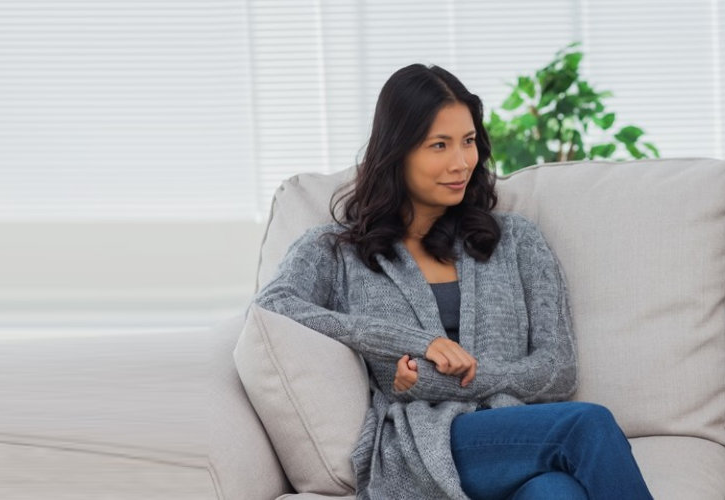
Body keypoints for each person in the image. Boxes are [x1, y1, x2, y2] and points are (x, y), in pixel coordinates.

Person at [256, 63, 653, 500]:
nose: (461, 162)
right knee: (585, 424)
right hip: (425, 447)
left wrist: (433, 382)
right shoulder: (336, 250)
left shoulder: (517, 241)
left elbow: (558, 370)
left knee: (557, 493)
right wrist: (410, 341)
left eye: (468, 142)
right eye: (439, 145)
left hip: (517, 439)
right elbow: (273, 307)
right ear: (397, 152)